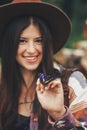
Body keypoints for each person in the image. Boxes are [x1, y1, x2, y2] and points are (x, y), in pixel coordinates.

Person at [0, 0, 87, 130]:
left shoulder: (71, 84)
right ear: (9, 44)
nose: (31, 50)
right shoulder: (2, 84)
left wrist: (59, 114)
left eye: (39, 41)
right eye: (22, 41)